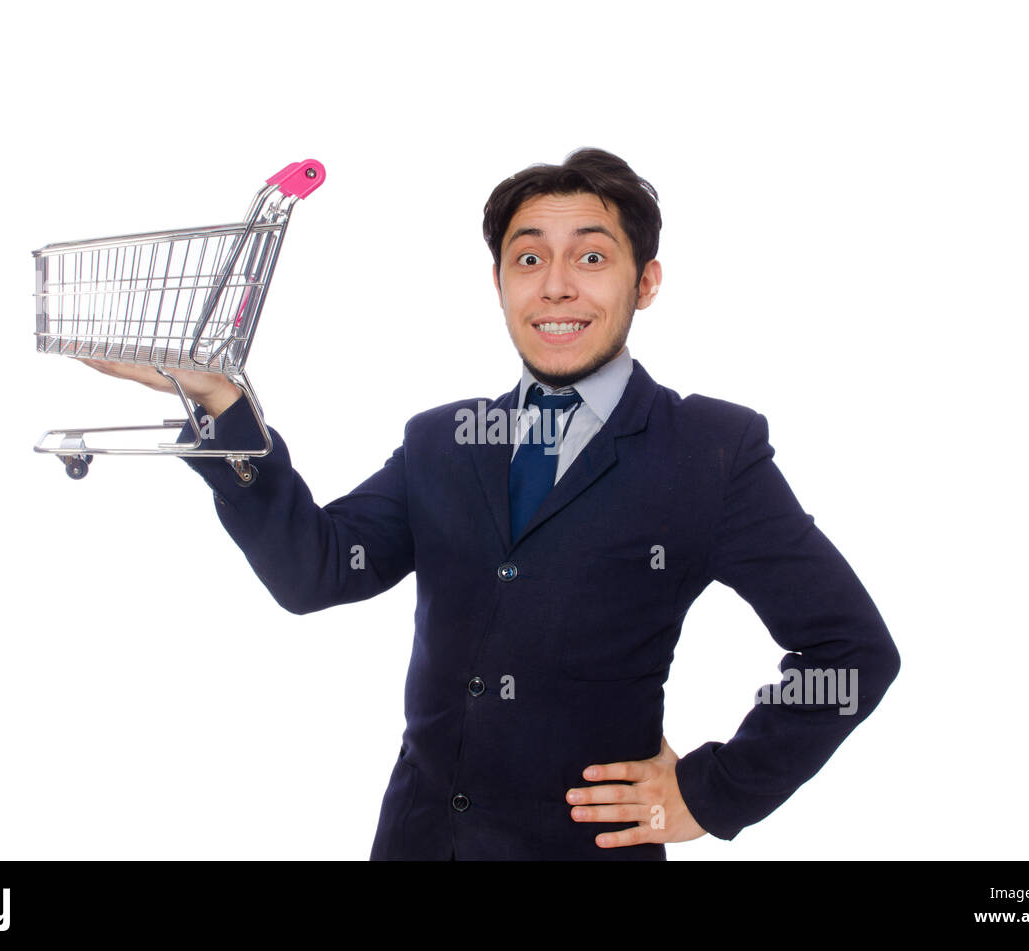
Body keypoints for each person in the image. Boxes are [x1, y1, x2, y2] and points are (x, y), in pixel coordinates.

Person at [80, 147, 901, 860]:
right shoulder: (444, 440)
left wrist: (714, 790)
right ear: (500, 281)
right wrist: (223, 404)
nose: (555, 288)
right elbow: (315, 570)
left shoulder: (710, 451)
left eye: (591, 258)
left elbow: (850, 649)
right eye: (528, 258)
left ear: (645, 282)